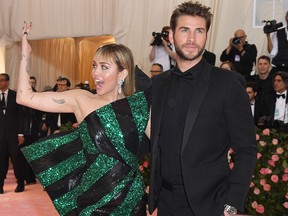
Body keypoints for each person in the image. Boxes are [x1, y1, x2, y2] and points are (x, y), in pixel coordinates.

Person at [18, 22, 150, 215]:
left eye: (104, 67)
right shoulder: (81, 99)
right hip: (92, 199)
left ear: (123, 73)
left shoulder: (140, 107)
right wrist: (25, 55)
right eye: (94, 66)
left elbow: (164, 147)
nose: (96, 73)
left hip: (130, 198)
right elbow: (24, 97)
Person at [148, 2, 257, 216]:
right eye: (184, 30)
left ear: (206, 35)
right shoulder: (158, 84)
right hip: (165, 202)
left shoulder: (227, 83)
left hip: (211, 204)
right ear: (171, 35)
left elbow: (247, 149)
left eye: (199, 31)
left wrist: (232, 204)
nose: (191, 39)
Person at [0, 73, 26, 194]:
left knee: (16, 160)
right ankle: (0, 186)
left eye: (2, 80)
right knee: (1, 161)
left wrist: (20, 134)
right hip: (1, 136)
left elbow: (21, 116)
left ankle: (20, 183)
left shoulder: (15, 96)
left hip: (14, 134)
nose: (0, 83)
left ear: (7, 82)